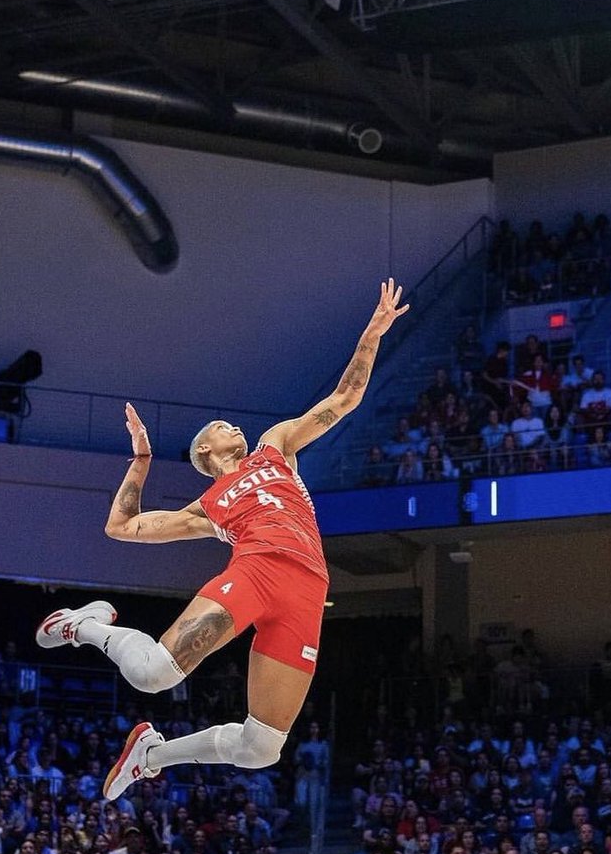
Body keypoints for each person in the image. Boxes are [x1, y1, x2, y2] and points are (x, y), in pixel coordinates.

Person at [35, 280, 408, 796]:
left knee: (263, 748)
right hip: (258, 574)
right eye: (219, 426)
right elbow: (122, 527)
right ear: (205, 454)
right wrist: (141, 463)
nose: (230, 425)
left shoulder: (274, 446)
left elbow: (344, 399)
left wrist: (371, 335)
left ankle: (154, 755)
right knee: (153, 674)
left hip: (307, 592)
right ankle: (88, 625)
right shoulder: (208, 505)